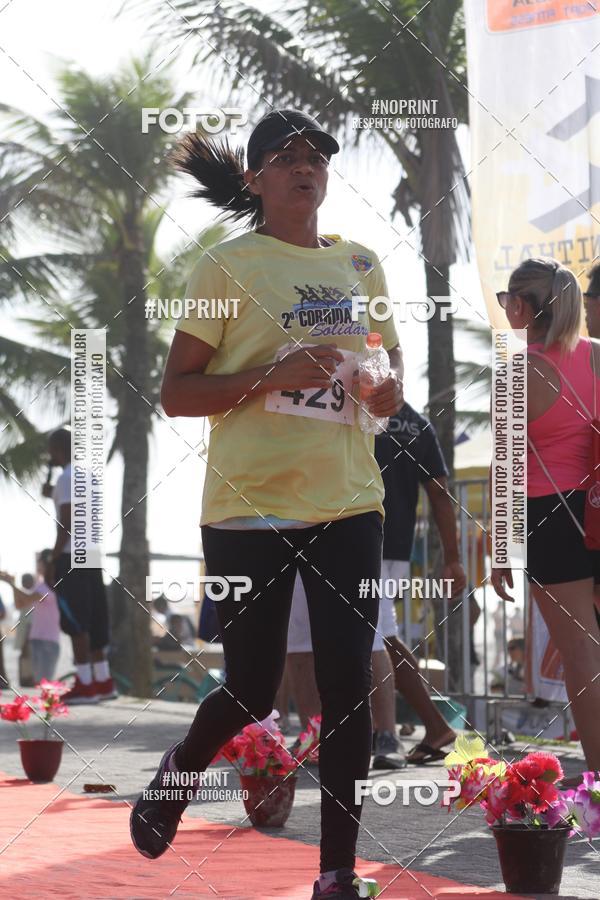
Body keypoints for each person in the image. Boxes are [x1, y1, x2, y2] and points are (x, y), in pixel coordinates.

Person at [130, 108, 404, 900]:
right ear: (256, 179)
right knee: (250, 686)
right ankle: (178, 773)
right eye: (284, 155)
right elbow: (178, 394)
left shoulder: (362, 262)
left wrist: (384, 391)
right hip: (249, 504)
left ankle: (336, 874)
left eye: (317, 153)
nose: (305, 164)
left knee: (347, 678)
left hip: (350, 499)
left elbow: (388, 385)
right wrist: (275, 377)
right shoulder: (224, 266)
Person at [284, 403, 467, 769]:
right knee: (380, 632)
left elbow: (439, 493)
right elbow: (439, 494)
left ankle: (386, 734)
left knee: (371, 635)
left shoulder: (347, 410)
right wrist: (451, 556)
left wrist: (453, 558)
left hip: (356, 535)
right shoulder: (416, 424)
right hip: (383, 543)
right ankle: (432, 727)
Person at [492, 257, 600, 786]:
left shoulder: (518, 368)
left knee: (582, 657)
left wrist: (501, 549)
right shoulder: (598, 358)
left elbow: (508, 465)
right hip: (597, 506)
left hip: (549, 518)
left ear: (520, 306)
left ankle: (598, 785)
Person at [43, 428, 115, 704]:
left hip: (70, 555)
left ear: (57, 449)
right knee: (95, 617)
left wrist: (52, 559)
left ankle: (84, 685)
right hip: (91, 554)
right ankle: (103, 680)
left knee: (76, 620)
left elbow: (66, 523)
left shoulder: (65, 477)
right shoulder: (89, 477)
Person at [0, 550, 61, 682]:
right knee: (41, 685)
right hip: (37, 640)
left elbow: (27, 598)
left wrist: (11, 583)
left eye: (40, 564)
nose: (38, 567)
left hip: (48, 641)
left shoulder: (51, 586)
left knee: (46, 685)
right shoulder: (40, 585)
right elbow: (20, 604)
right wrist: (12, 585)